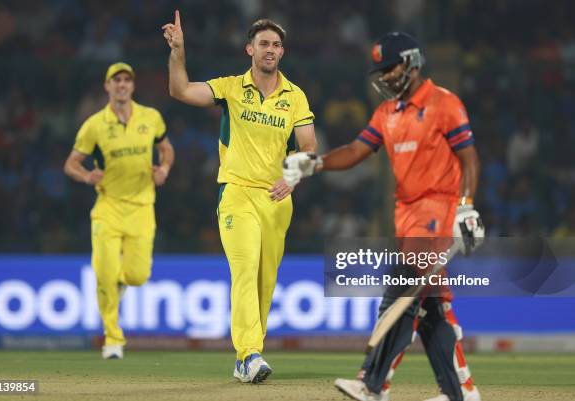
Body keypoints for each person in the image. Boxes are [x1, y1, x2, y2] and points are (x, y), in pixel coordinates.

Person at [283, 32, 484, 401]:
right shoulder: (386, 113)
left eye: (391, 68)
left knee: (402, 289)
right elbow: (359, 150)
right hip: (406, 215)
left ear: (411, 61)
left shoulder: (444, 104)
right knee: (431, 309)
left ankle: (373, 384)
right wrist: (316, 164)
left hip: (437, 211)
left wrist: (467, 205)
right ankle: (461, 393)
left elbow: (469, 157)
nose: (386, 77)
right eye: (381, 71)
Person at [162, 10, 317, 383]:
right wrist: (178, 52)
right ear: (250, 48)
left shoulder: (294, 97)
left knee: (265, 281)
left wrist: (291, 179)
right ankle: (250, 353)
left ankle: (244, 359)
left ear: (282, 52)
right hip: (236, 192)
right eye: (264, 43)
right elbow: (180, 90)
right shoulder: (232, 87)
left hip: (278, 199)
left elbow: (310, 148)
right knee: (245, 269)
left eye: (276, 45)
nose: (270, 49)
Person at [64, 62, 174, 360]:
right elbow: (71, 163)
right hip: (108, 207)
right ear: (107, 86)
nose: (122, 85)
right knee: (104, 272)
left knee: (138, 275)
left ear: (133, 86)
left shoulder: (151, 117)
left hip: (141, 207)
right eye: (116, 80)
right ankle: (113, 338)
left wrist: (163, 169)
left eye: (127, 80)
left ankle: (124, 282)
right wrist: (87, 176)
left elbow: (167, 149)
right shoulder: (94, 125)